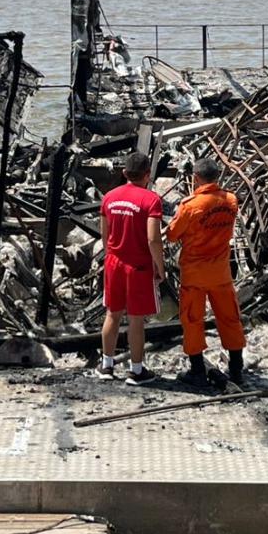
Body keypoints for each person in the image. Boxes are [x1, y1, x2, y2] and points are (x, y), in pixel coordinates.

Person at [166, 158, 247, 387]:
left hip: (194, 273)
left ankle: (198, 371)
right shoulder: (231, 200)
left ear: (196, 178)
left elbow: (172, 235)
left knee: (192, 320)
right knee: (230, 319)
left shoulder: (190, 205)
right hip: (221, 272)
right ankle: (236, 370)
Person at [99, 151, 164, 385]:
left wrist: (111, 255)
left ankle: (107, 366)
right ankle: (136, 371)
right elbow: (153, 238)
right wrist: (160, 266)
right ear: (147, 175)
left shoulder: (109, 197)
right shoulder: (151, 200)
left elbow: (104, 234)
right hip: (138, 266)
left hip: (114, 262)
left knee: (112, 314)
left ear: (125, 173)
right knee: (136, 320)